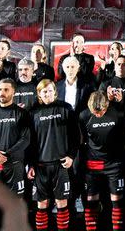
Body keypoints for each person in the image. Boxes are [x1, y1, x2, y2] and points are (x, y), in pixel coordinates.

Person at [28, 79, 80, 231]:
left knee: (61, 203)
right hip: (40, 166)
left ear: (55, 92)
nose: (48, 94)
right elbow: (30, 142)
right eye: (44, 91)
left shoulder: (66, 108)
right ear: (39, 94)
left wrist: (71, 156)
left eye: (50, 91)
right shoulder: (33, 112)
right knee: (42, 204)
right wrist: (31, 164)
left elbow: (76, 136)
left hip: (61, 165)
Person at [79, 90, 125, 231]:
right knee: (91, 200)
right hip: (93, 162)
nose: (98, 115)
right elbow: (80, 140)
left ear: (106, 105)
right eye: (95, 113)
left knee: (117, 200)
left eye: (100, 112)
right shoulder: (84, 116)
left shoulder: (118, 113)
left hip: (114, 163)